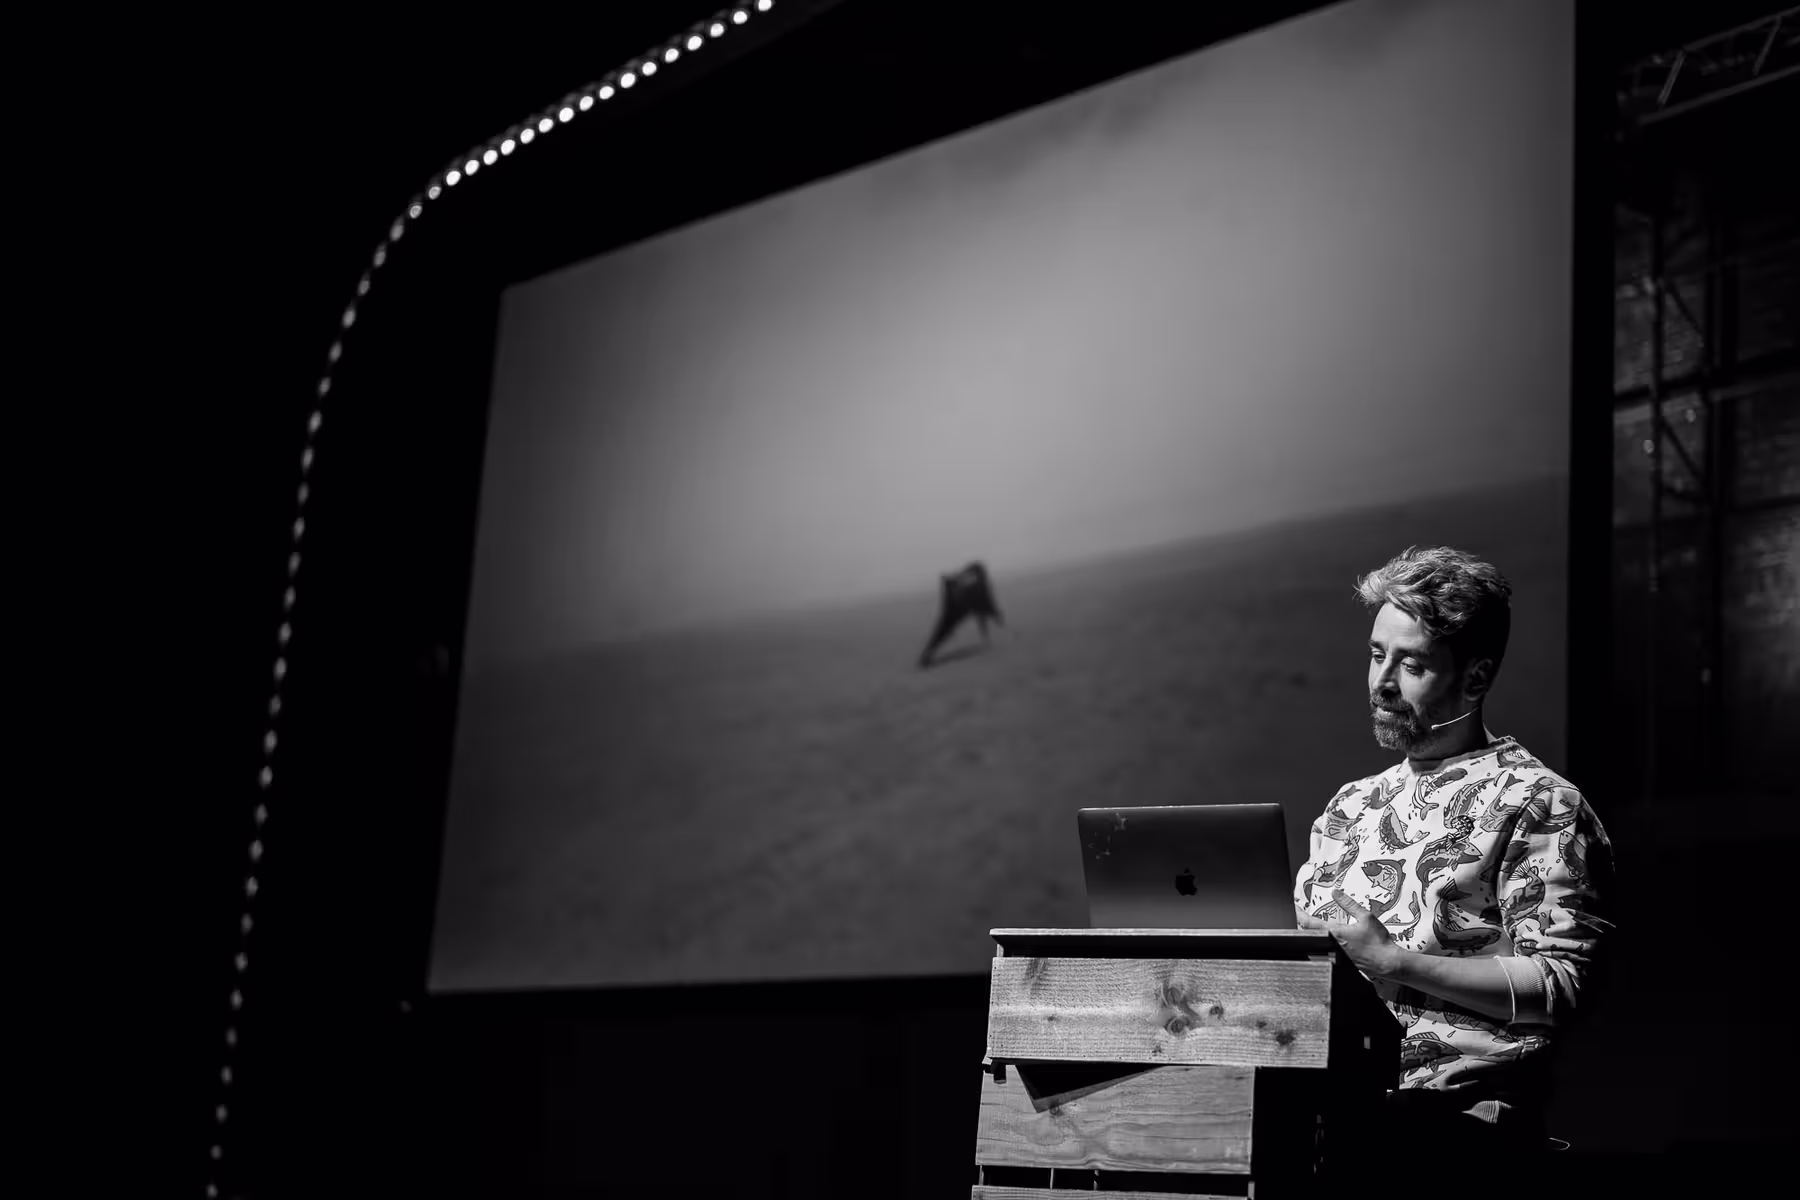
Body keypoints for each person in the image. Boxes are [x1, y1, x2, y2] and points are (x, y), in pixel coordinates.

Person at [1294, 546, 1615, 1193]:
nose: (1383, 682)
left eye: (1411, 664)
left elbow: (1561, 985)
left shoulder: (1537, 802)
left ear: (1476, 677)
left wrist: (1396, 962)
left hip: (1460, 1137)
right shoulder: (1351, 805)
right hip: (1329, 1126)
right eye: (1376, 655)